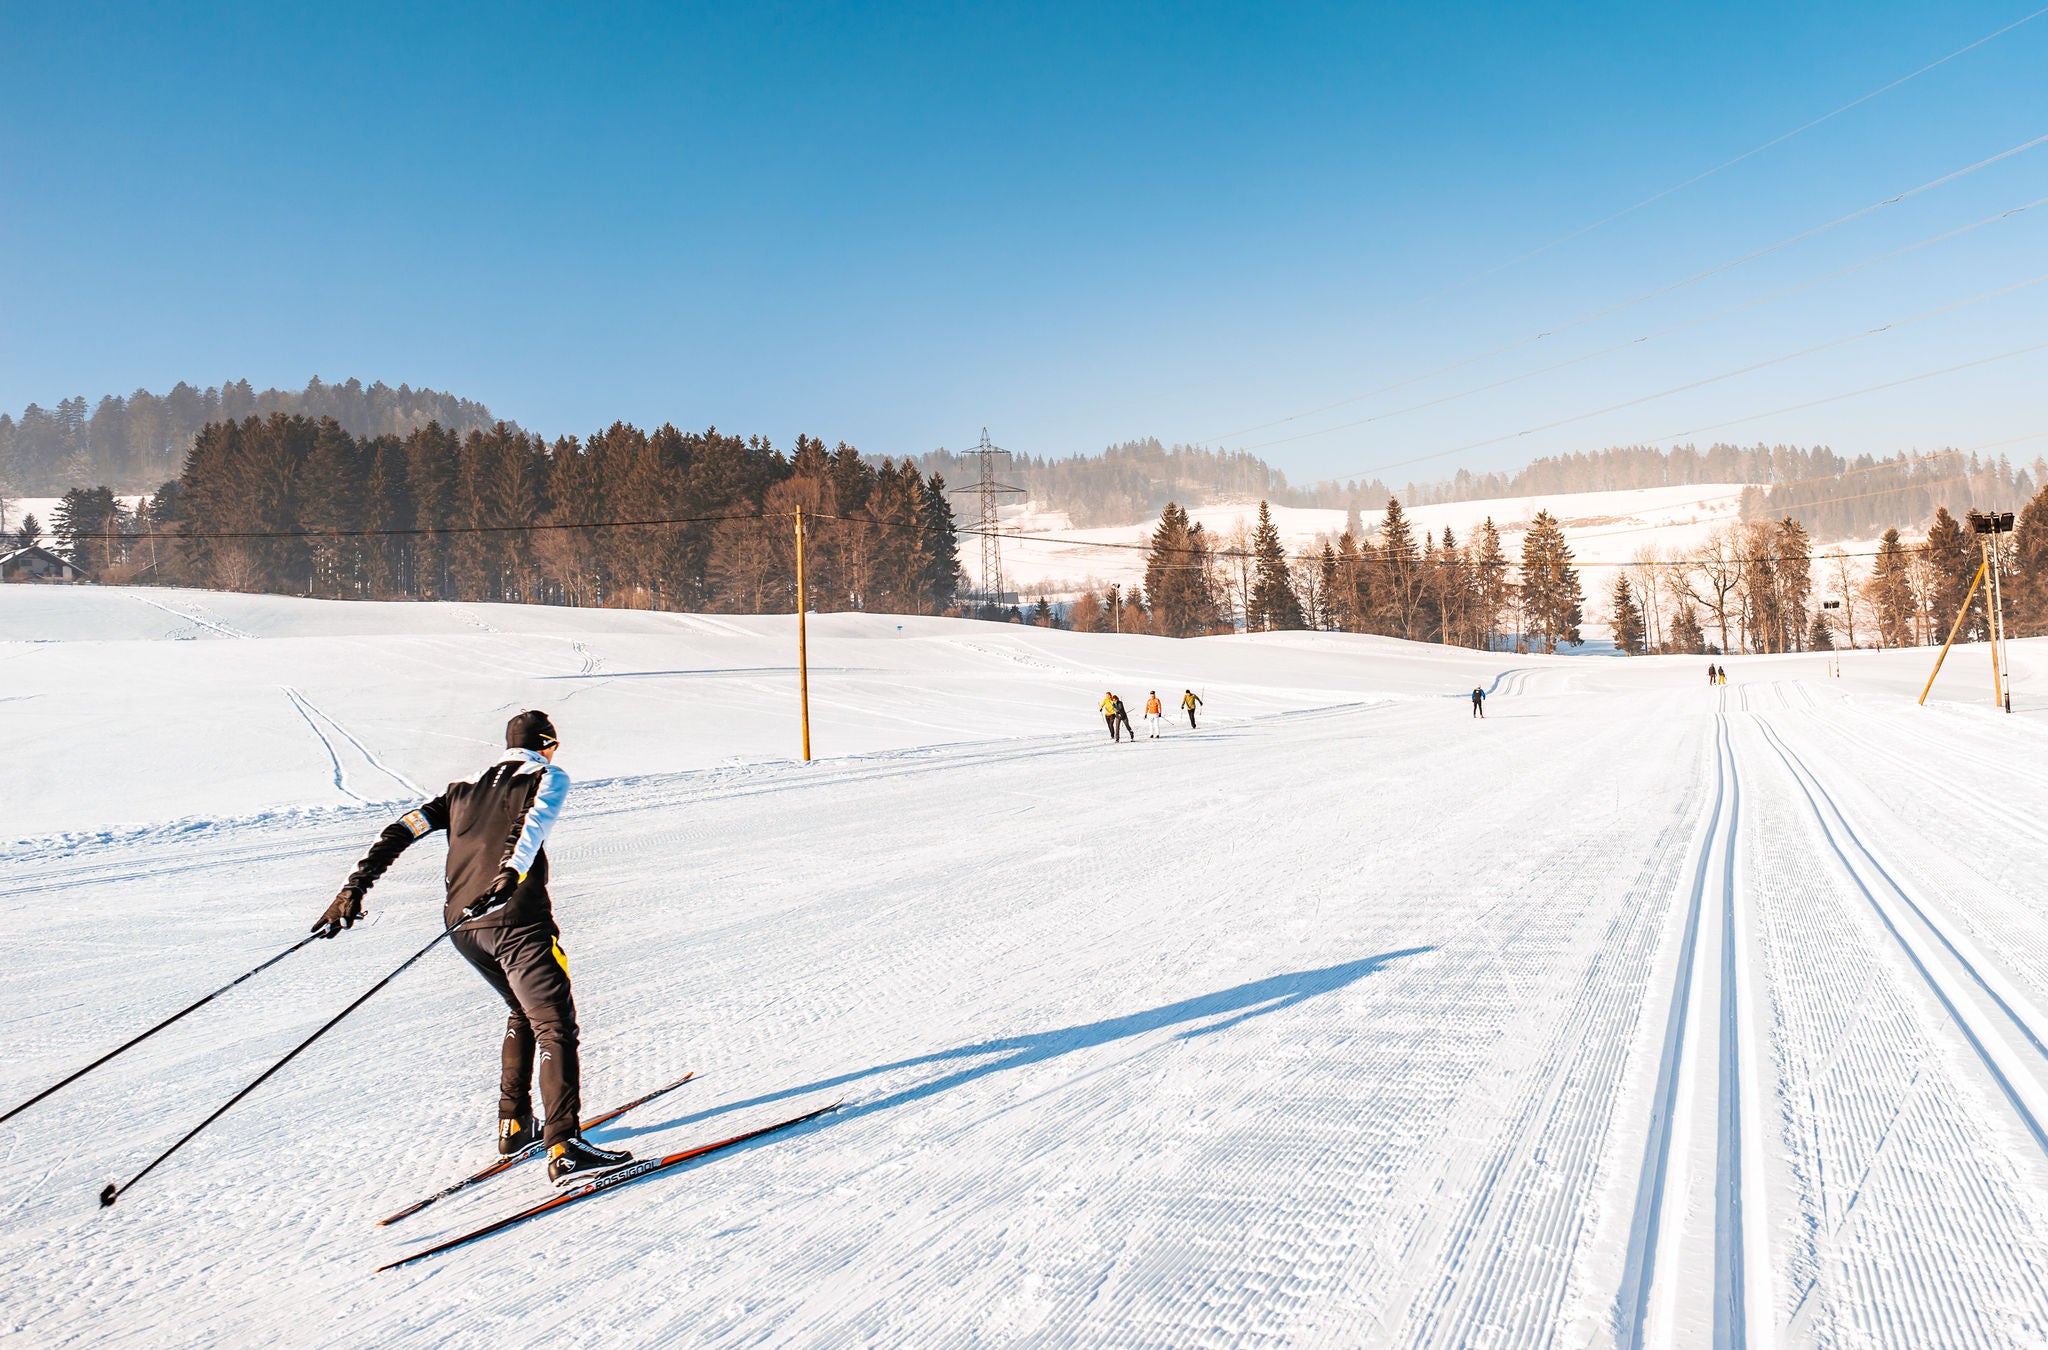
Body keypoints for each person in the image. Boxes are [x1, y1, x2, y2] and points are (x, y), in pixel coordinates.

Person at [311, 710, 633, 1187]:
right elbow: (531, 826)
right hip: (518, 920)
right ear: (548, 744)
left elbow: (400, 830)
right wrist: (509, 875)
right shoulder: (546, 775)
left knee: (522, 1012)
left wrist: (354, 888)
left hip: (464, 927)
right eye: (554, 746)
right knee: (554, 1025)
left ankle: (515, 1124)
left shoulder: (462, 788)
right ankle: (565, 1146)